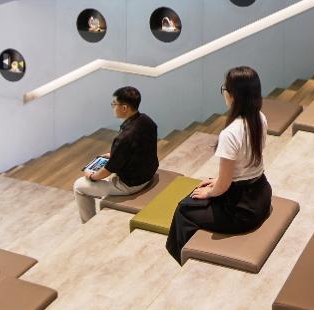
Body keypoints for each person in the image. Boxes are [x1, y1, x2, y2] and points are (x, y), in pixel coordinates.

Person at [166, 67, 273, 264]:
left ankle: (185, 260)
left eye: (225, 88)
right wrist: (216, 181)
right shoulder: (260, 117)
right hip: (261, 194)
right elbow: (245, 165)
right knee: (198, 195)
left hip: (242, 210)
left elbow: (224, 186)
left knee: (183, 209)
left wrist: (211, 191)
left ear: (232, 95)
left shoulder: (230, 134)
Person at [73, 86, 158, 222]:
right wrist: (114, 154)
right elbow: (139, 148)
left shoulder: (124, 137)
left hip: (130, 185)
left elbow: (108, 170)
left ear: (124, 108)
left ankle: (89, 222)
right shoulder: (147, 120)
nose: (113, 107)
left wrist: (92, 176)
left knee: (79, 186)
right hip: (149, 174)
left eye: (114, 104)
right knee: (105, 162)